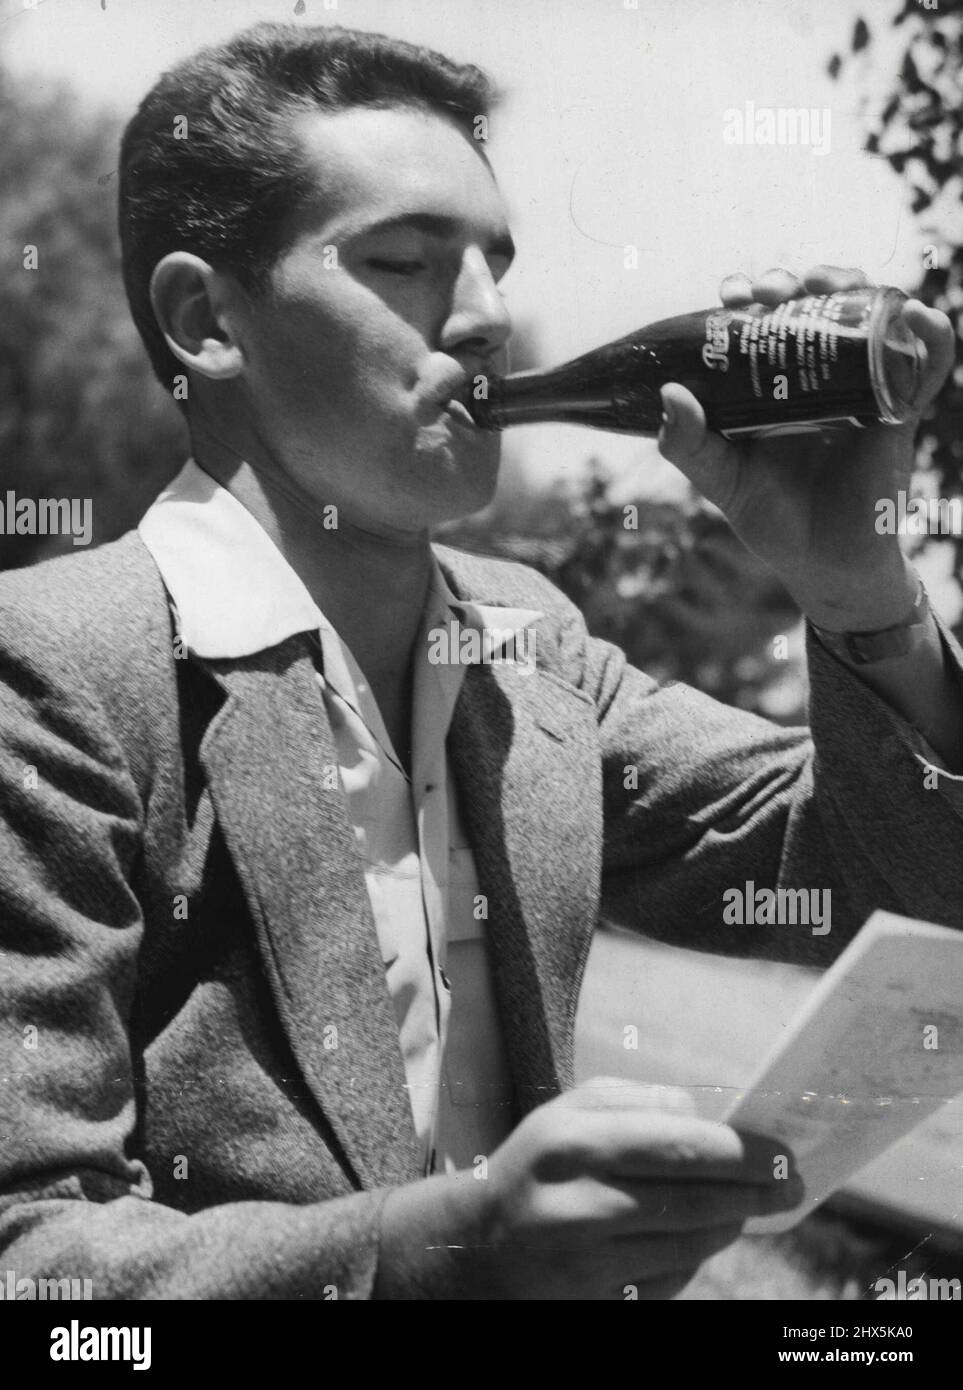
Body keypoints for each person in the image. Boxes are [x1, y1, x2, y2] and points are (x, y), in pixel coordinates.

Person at [0, 21, 960, 1303]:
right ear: (203, 319)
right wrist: (436, 1252)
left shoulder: (529, 645)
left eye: (497, 261)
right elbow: (33, 1267)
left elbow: (892, 877)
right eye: (404, 260)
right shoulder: (59, 672)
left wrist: (859, 590)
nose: (492, 317)